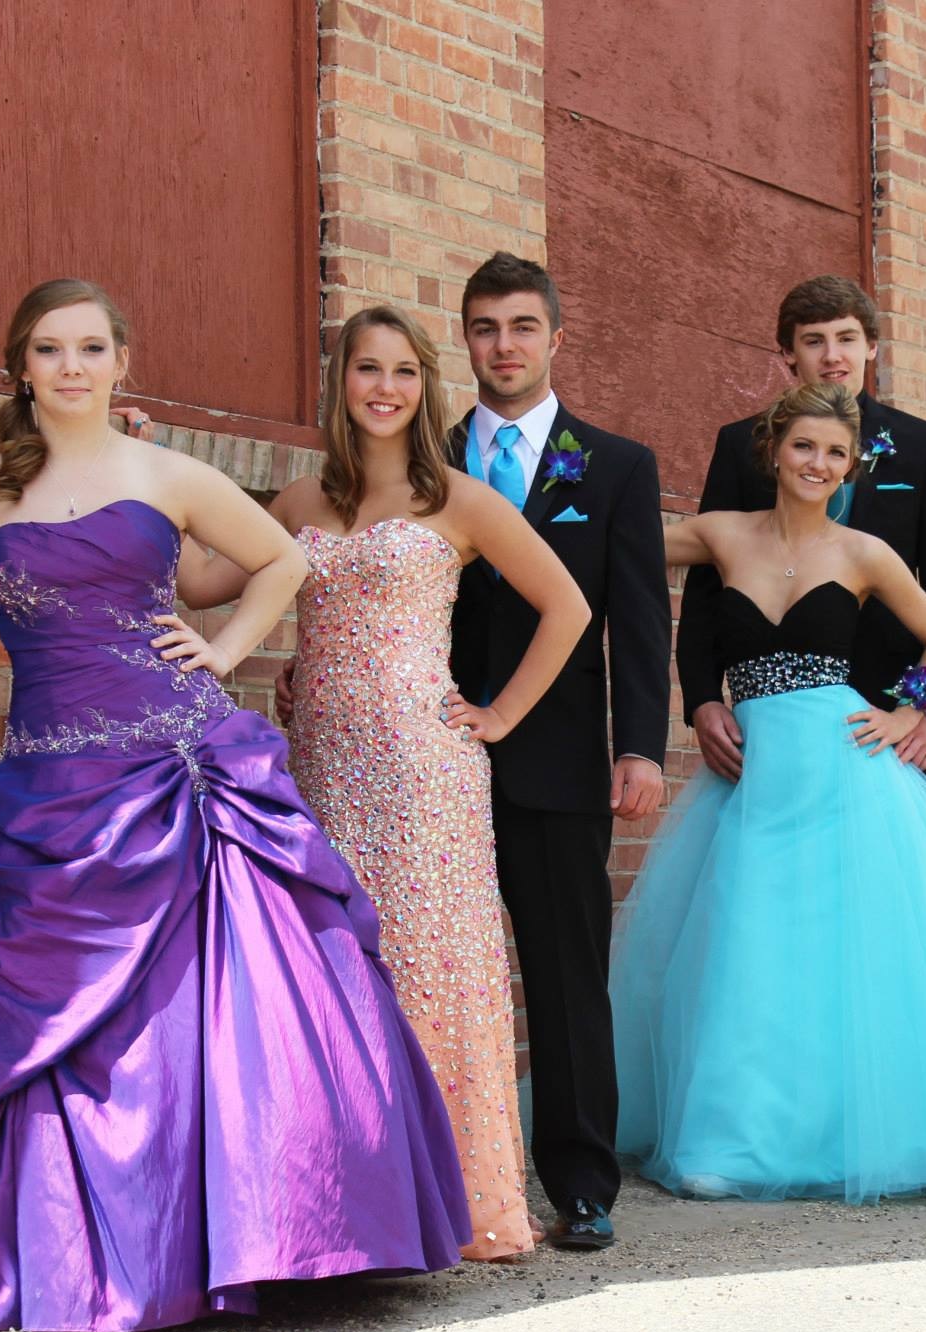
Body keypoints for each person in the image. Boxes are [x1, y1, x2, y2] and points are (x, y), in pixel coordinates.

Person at [0, 280, 470, 1332]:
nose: (70, 367)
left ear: (121, 363)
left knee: (231, 998)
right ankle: (82, 1243)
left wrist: (225, 650)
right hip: (45, 793)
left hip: (180, 768)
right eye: (49, 349)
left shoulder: (164, 472)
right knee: (37, 1012)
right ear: (21, 365)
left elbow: (281, 558)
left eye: (89, 349)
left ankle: (265, 1230)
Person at [611, 382, 926, 1202]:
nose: (819, 464)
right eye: (805, 447)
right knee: (752, 948)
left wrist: (912, 705)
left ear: (851, 464)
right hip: (756, 777)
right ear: (774, 451)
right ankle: (737, 1140)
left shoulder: (864, 551)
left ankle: (865, 1136)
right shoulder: (721, 535)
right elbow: (619, 551)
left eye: (836, 453)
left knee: (854, 955)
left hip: (847, 767)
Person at [175, 303, 591, 1257]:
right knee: (336, 964)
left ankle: (460, 1196)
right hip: (320, 766)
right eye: (368, 369)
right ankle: (352, 1193)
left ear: (425, 386)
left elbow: (565, 606)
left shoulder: (461, 501)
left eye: (404, 372)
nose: (385, 389)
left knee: (431, 969)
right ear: (341, 383)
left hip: (424, 772)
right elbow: (202, 583)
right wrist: (151, 479)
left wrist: (500, 716)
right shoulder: (295, 503)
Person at [278, 254, 671, 1250]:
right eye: (486, 328)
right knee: (412, 962)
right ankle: (398, 1169)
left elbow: (627, 616)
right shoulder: (414, 448)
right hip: (404, 758)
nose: (504, 345)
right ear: (464, 341)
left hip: (551, 754)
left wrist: (641, 748)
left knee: (559, 968)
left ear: (553, 338)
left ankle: (579, 1183)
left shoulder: (612, 464)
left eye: (522, 327)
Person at [678, 274, 926, 780]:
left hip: (885, 731)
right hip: (768, 730)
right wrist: (703, 698)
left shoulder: (921, 445)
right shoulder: (741, 445)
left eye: (847, 339)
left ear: (872, 347)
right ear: (789, 355)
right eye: (814, 341)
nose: (832, 356)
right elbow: (705, 592)